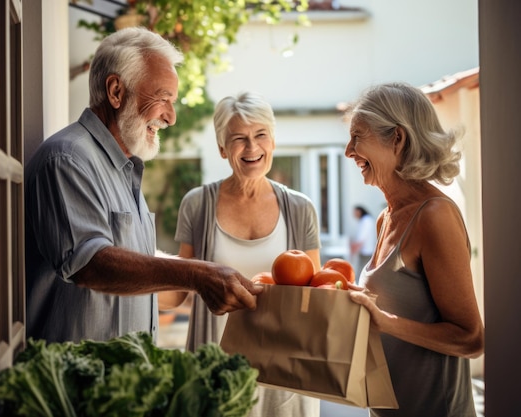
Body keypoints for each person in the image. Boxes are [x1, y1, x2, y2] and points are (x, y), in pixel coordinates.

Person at [24, 27, 263, 344]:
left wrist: (212, 270)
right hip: (74, 387)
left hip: (122, 384)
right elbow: (91, 263)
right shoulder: (68, 160)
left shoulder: (122, 167)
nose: (171, 117)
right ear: (116, 92)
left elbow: (131, 257)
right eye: (163, 98)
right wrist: (196, 274)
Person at [161, 91, 322, 417]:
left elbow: (314, 298)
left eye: (260, 135)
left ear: (273, 141)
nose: (252, 148)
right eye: (239, 139)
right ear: (222, 148)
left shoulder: (300, 208)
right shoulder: (198, 204)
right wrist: (128, 276)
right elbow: (178, 293)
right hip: (217, 371)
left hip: (284, 374)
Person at [344, 82, 484, 417]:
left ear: (398, 138)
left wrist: (384, 322)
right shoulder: (385, 218)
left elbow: (471, 339)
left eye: (357, 136)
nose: (349, 151)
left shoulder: (435, 217)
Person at [349, 205, 377, 283]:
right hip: (365, 250)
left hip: (367, 251)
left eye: (355, 212)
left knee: (363, 271)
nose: (354, 214)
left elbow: (362, 238)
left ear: (359, 211)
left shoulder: (366, 221)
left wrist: (354, 250)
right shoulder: (365, 220)